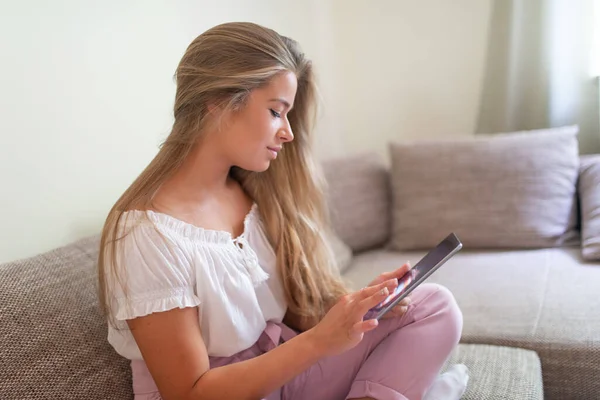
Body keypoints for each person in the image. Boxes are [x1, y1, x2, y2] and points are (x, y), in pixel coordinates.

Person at [97, 21, 466, 400]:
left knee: (433, 306)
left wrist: (354, 310)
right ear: (218, 101)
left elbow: (287, 319)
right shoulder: (147, 235)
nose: (288, 132)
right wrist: (320, 341)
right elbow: (190, 393)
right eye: (276, 111)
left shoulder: (250, 196)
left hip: (284, 375)